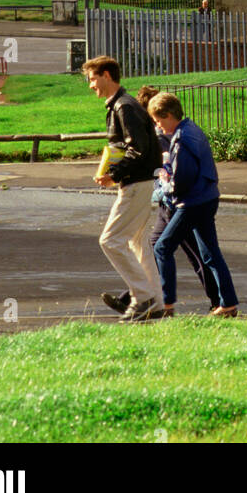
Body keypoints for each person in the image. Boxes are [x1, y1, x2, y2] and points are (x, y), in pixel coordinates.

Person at [106, 86, 220, 315]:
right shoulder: (160, 133)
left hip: (178, 201)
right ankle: (138, 297)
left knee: (193, 252)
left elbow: (170, 168)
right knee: (159, 249)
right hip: (169, 202)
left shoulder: (162, 136)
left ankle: (213, 301)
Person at [84, 55, 164, 322]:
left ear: (107, 75)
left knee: (110, 240)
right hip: (141, 182)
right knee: (138, 242)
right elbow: (132, 148)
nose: (90, 86)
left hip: (136, 184)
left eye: (93, 79)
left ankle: (143, 298)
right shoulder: (121, 105)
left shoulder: (124, 107)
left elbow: (137, 148)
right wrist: (113, 173)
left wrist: (115, 173)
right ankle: (157, 303)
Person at [148, 92, 238, 317]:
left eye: (158, 121)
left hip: (192, 202)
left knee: (162, 247)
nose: (158, 127)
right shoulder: (191, 130)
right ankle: (228, 304)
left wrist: (165, 186)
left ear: (168, 115)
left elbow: (183, 180)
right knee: (210, 254)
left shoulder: (182, 139)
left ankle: (166, 304)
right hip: (206, 197)